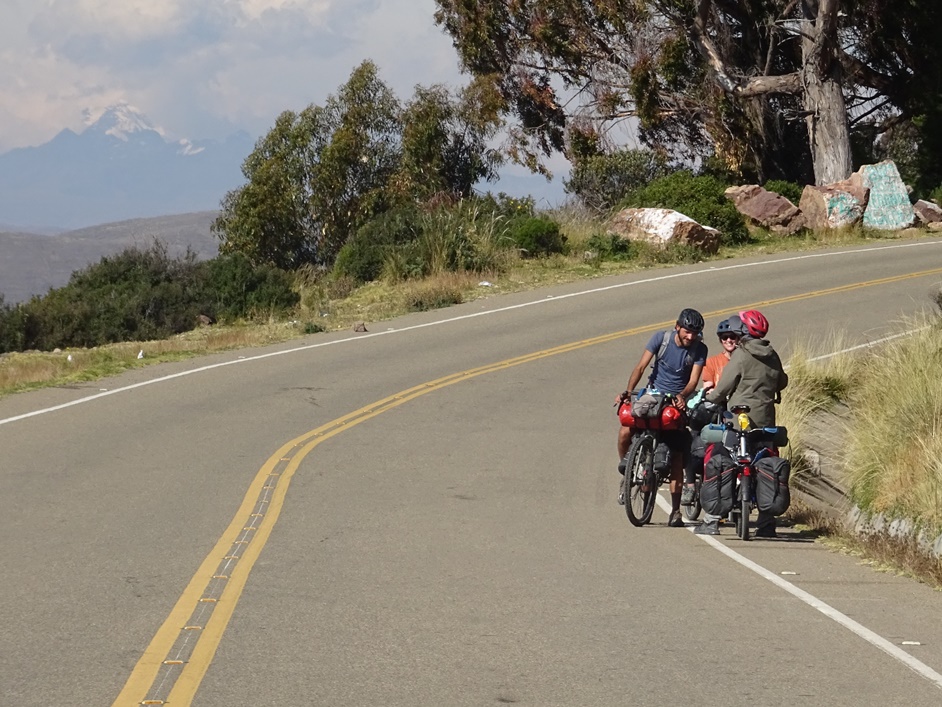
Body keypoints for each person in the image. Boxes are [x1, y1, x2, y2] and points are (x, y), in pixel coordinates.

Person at [695, 310, 788, 537]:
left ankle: (712, 520)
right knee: (765, 461)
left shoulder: (741, 354)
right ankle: (766, 524)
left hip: (739, 421)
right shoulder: (772, 355)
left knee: (722, 456)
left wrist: (709, 399)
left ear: (743, 331)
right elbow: (782, 381)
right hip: (765, 421)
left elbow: (725, 386)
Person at [617, 308, 707, 527]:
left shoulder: (699, 350)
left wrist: (683, 396)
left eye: (695, 333)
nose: (690, 336)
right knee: (625, 430)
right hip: (652, 394)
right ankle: (627, 471)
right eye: (687, 331)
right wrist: (628, 392)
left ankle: (675, 512)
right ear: (677, 327)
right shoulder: (661, 339)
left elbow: (693, 381)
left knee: (676, 457)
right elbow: (641, 366)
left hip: (676, 401)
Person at [680, 318, 741, 505]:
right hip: (714, 410)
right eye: (724, 337)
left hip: (736, 412)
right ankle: (690, 486)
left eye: (733, 337)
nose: (729, 340)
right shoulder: (713, 362)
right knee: (694, 443)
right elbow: (707, 387)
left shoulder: (744, 360)